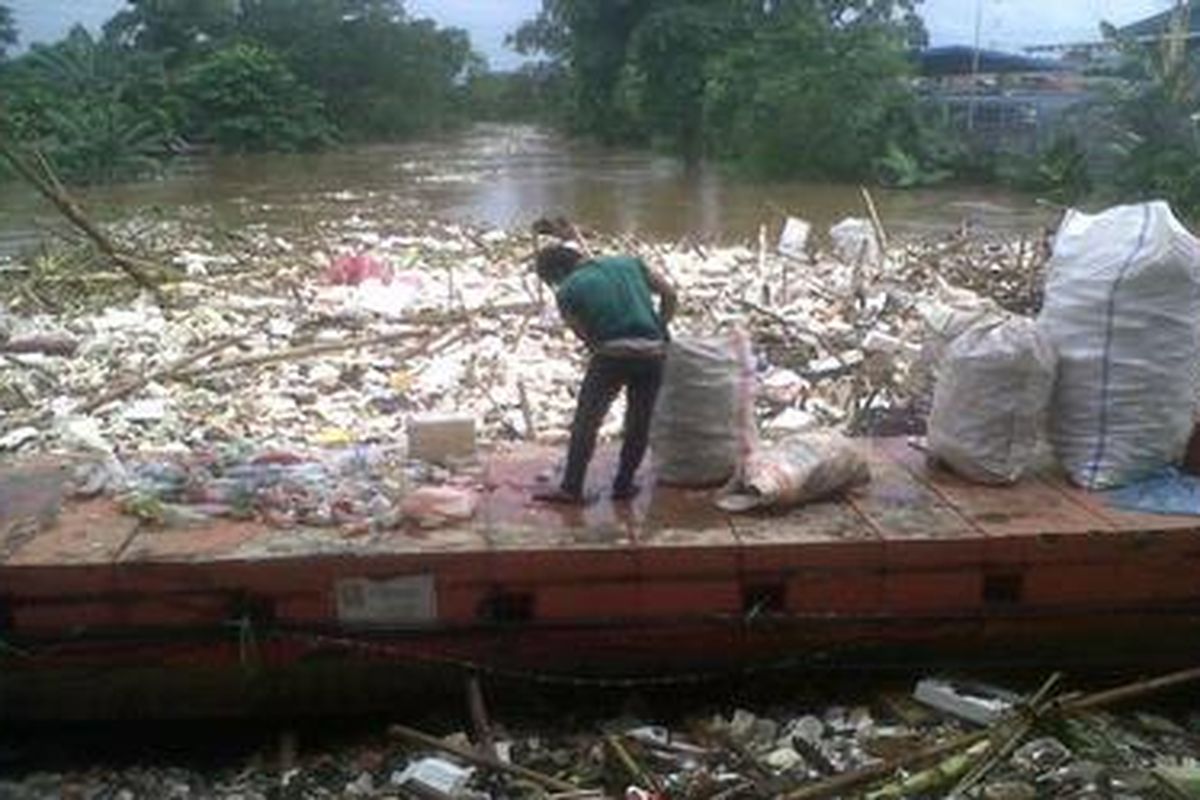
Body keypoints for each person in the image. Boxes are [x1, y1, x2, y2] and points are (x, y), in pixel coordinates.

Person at [532, 245, 678, 504]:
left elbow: (583, 333)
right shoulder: (629, 262)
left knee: (587, 421)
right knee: (638, 422)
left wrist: (600, 345)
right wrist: (660, 325)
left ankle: (572, 487)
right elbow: (669, 293)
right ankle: (623, 484)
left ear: (556, 274)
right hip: (653, 355)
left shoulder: (567, 290)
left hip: (611, 356)